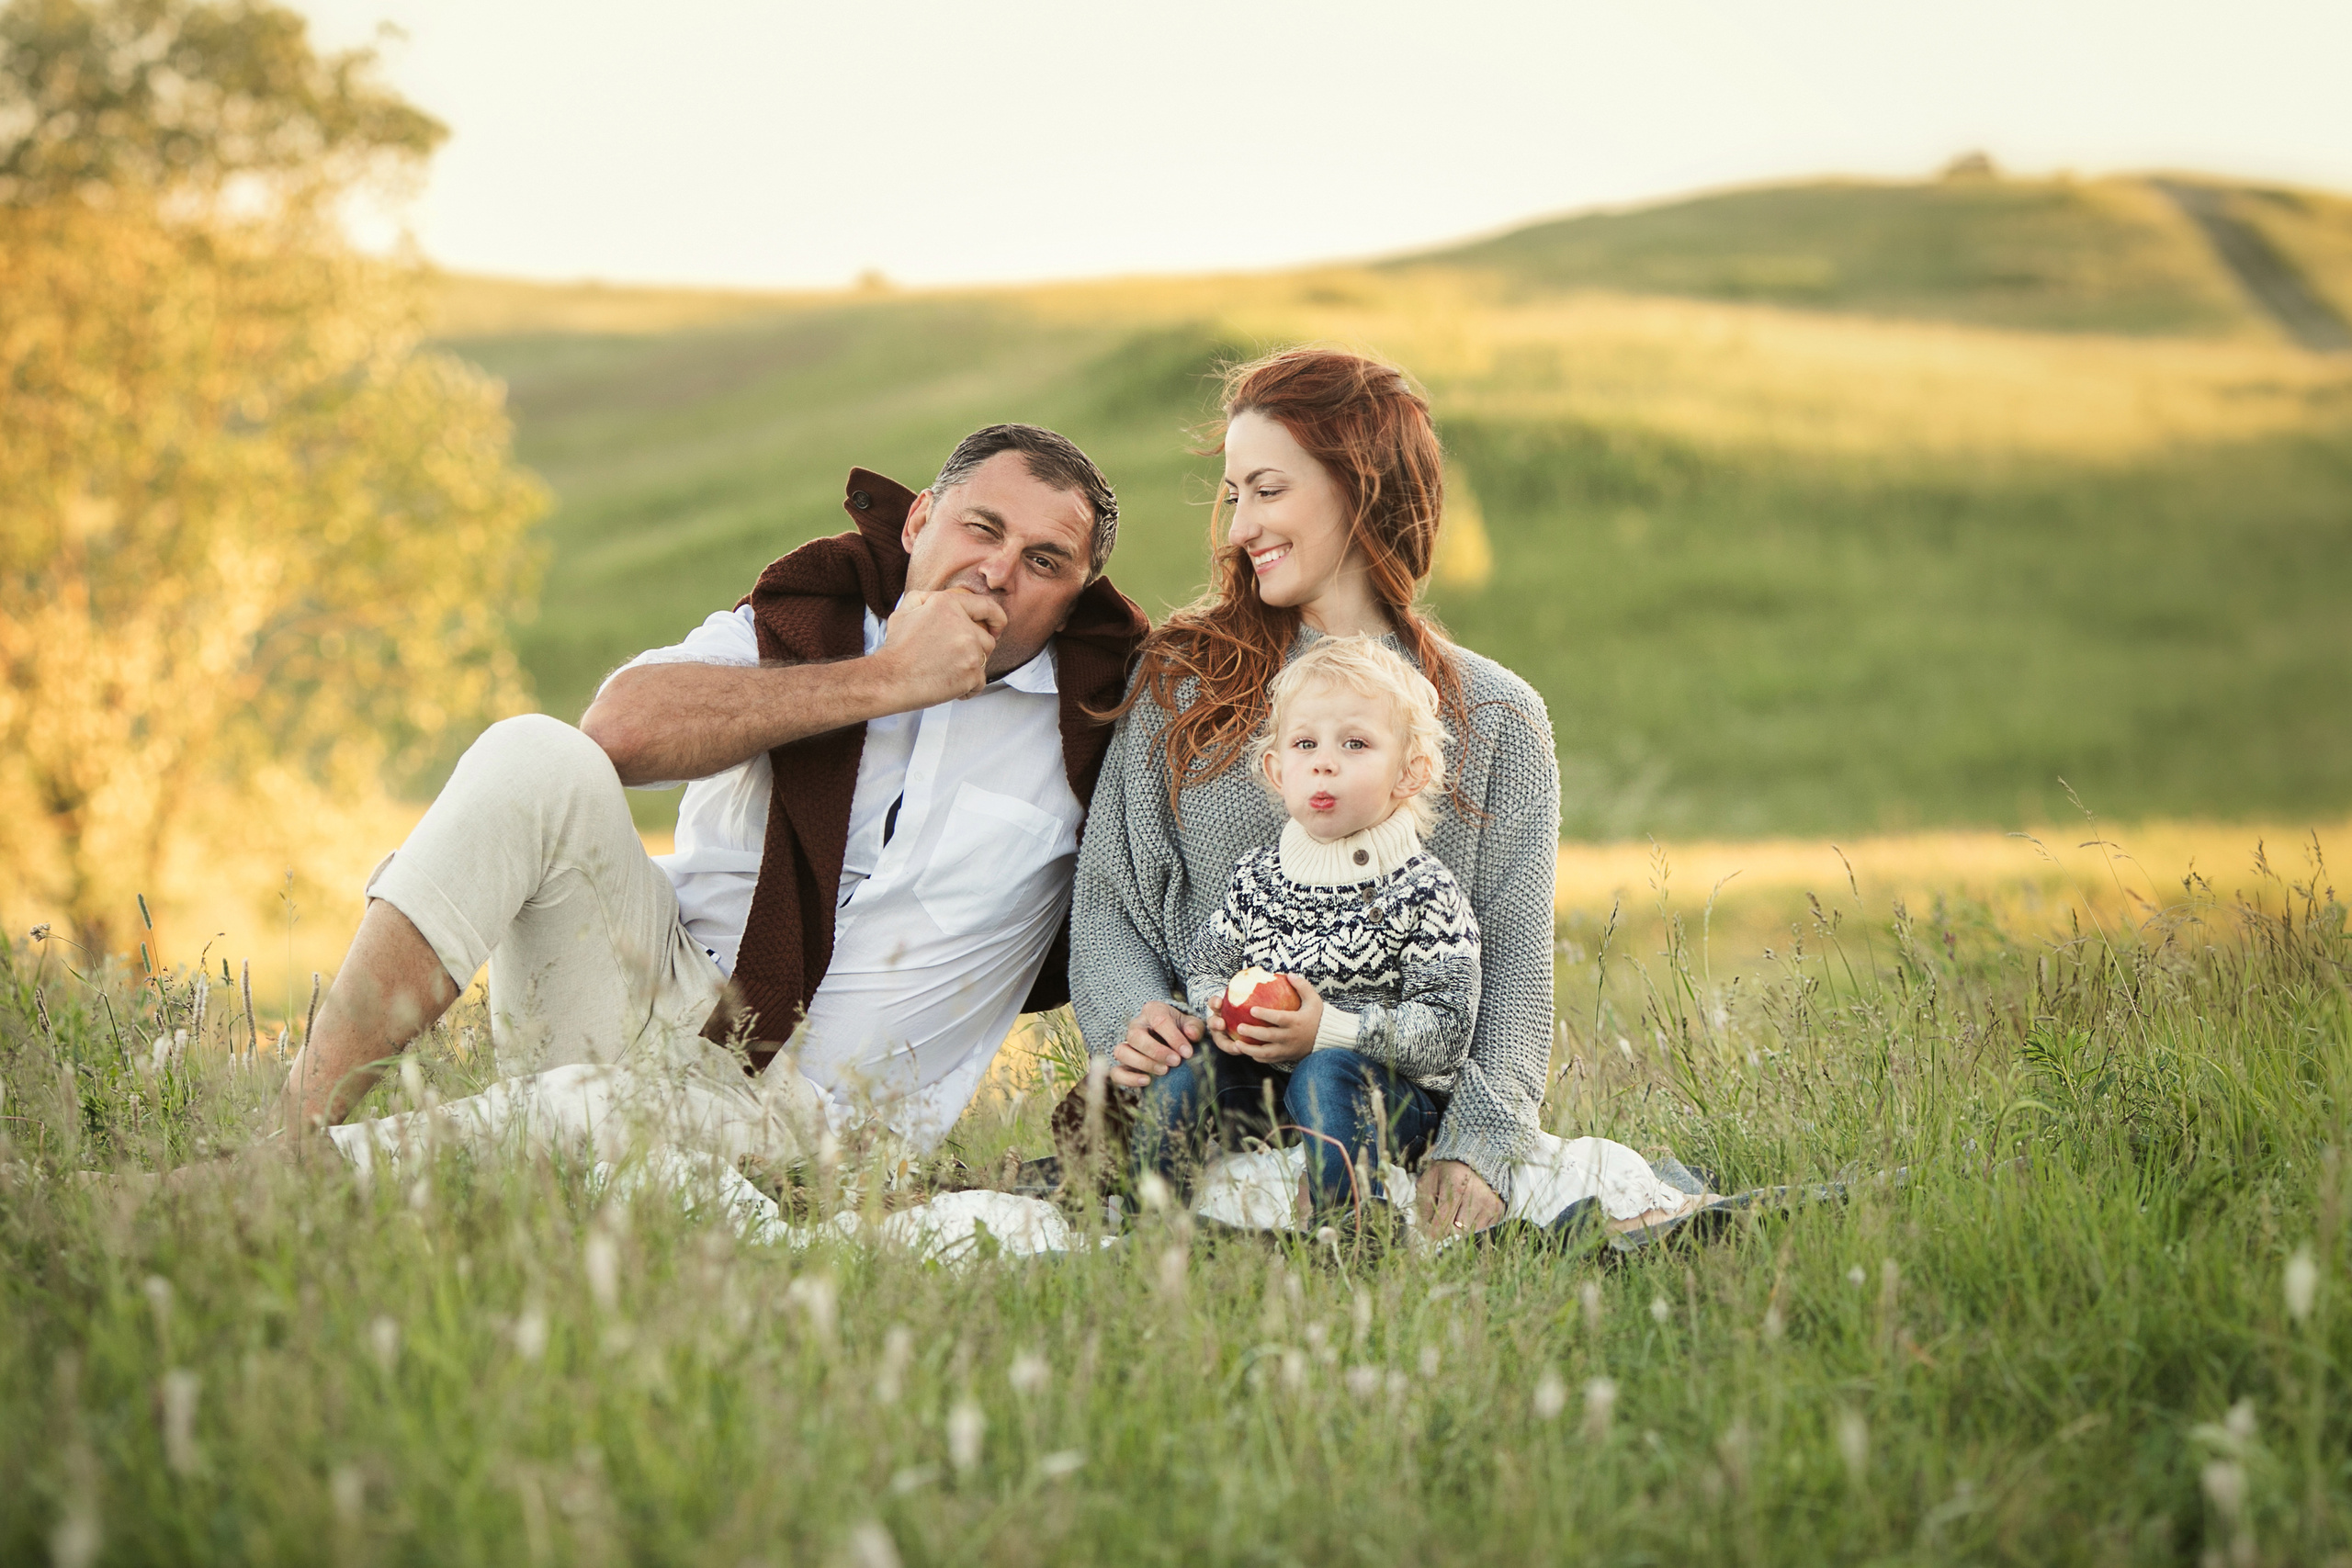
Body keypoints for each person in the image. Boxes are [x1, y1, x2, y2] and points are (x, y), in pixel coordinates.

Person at [279, 423, 1151, 1163]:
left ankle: (300, 1181)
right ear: (920, 520)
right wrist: (887, 679)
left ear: (1075, 602)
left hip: (822, 1124)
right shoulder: (812, 621)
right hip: (655, 994)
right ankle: (292, 1132)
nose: (997, 571)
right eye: (981, 528)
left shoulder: (1098, 724)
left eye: (1043, 561)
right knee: (532, 753)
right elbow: (617, 732)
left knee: (591, 1106)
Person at [1070, 348, 1558, 1237]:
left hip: (1390, 1116)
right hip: (1206, 1104)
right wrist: (1128, 1019)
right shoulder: (1180, 683)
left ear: (1358, 488)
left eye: (1267, 490)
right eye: (1233, 496)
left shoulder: (1498, 718)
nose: (1238, 528)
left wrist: (1480, 1146)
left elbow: (1516, 974)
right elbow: (1109, 902)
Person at [1139, 635, 1481, 1223]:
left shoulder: (1425, 892)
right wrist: (1219, 1010)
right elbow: (1207, 965)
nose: (1324, 762)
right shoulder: (1257, 878)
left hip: (1385, 1099)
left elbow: (1446, 1030)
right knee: (1187, 1064)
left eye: (1355, 743)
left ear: (1410, 772)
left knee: (1324, 1073)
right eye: (1305, 744)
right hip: (1271, 1090)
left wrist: (1329, 1031)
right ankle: (1148, 1216)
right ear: (1277, 770)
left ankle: (1347, 1225)